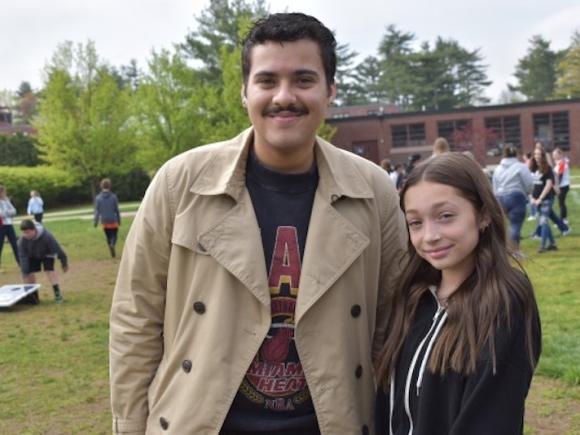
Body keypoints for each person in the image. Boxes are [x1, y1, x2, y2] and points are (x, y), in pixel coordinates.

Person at [109, 12, 407, 435]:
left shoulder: (373, 190)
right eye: (267, 80)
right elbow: (135, 318)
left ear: (330, 91)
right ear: (244, 92)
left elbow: (393, 321)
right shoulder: (181, 183)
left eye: (304, 79)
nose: (284, 96)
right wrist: (130, 427)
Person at [375, 153, 541, 435]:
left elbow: (492, 417)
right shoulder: (413, 297)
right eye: (416, 222)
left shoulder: (504, 301)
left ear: (484, 214)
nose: (429, 235)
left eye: (446, 216)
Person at [492, 146, 534, 252]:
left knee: (505, 225)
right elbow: (529, 183)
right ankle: (514, 250)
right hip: (516, 196)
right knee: (515, 224)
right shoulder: (520, 166)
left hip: (500, 197)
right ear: (516, 154)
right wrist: (528, 192)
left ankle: (505, 247)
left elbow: (495, 186)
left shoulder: (498, 168)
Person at [17, 219, 68, 303]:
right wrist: (25, 271)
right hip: (33, 255)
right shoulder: (22, 241)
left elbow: (57, 249)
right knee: (28, 273)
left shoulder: (47, 236)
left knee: (49, 270)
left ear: (34, 229)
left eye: (28, 232)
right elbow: (23, 257)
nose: (26, 235)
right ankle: (33, 297)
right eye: (24, 233)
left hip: (47, 253)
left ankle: (57, 294)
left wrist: (64, 263)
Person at [530, 146, 569, 251]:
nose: (537, 156)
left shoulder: (547, 168)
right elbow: (529, 183)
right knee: (547, 220)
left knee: (543, 221)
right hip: (535, 199)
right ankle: (553, 244)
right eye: (535, 154)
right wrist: (532, 197)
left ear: (543, 156)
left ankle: (542, 246)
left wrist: (540, 199)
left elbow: (548, 184)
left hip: (546, 199)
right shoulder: (532, 167)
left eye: (539, 154)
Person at [94, 178, 121, 258]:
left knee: (108, 236)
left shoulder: (98, 198)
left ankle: (111, 248)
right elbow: (117, 210)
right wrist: (119, 220)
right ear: (110, 186)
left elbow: (97, 211)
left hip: (104, 221)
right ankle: (113, 244)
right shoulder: (113, 197)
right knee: (114, 235)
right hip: (113, 220)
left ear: (101, 186)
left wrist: (95, 221)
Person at [0, 184, 20, 269]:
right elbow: (1, 214)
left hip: (9, 224)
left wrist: (7, 212)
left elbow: (14, 211)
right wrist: (9, 212)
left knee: (15, 244)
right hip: (1, 226)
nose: (5, 194)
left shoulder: (6, 200)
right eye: (3, 192)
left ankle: (20, 263)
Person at [552, 148, 570, 226]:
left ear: (560, 155)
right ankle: (564, 219)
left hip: (563, 186)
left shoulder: (562, 163)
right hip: (562, 185)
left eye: (555, 155)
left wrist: (557, 186)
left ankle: (562, 220)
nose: (554, 156)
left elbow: (560, 175)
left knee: (561, 203)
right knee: (561, 203)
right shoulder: (560, 163)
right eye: (553, 155)